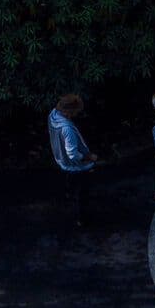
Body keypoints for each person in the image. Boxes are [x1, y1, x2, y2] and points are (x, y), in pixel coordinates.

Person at [48, 94, 96, 228]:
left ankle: (68, 195)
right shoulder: (67, 129)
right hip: (76, 167)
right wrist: (88, 158)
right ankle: (82, 219)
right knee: (82, 194)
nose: (76, 114)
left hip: (61, 160)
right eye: (76, 112)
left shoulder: (52, 115)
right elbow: (73, 155)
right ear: (69, 111)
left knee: (70, 183)